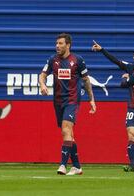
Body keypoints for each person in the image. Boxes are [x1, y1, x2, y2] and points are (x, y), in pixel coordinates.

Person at [92, 42, 134, 172]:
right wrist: (102, 50)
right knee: (132, 135)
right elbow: (116, 61)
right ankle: (132, 165)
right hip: (133, 107)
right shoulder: (131, 68)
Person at [39, 33, 96, 175]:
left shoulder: (78, 60)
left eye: (60, 43)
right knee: (68, 134)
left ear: (68, 45)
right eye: (56, 43)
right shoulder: (53, 60)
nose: (57, 46)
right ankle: (77, 166)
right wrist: (42, 84)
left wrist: (91, 99)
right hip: (58, 101)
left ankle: (62, 165)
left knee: (66, 129)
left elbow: (86, 81)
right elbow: (43, 74)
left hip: (72, 100)